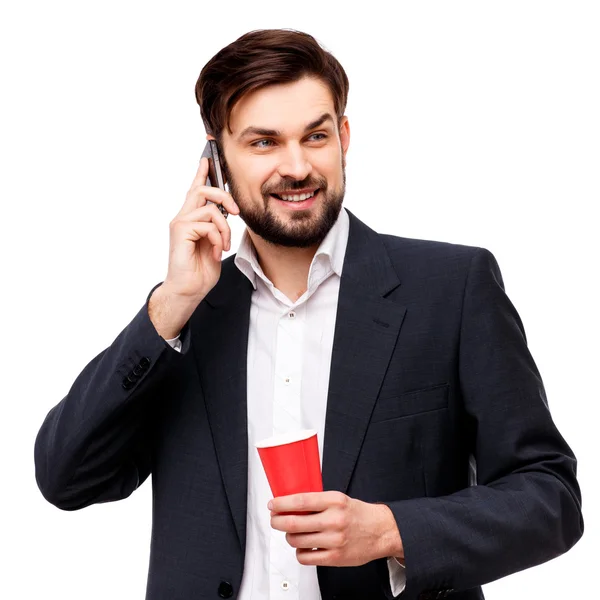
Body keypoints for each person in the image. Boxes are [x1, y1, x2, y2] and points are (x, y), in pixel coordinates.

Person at [34, 28, 583, 600]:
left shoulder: (451, 288)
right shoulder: (186, 314)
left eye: (315, 136)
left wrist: (394, 531)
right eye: (264, 143)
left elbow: (550, 499)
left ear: (343, 137)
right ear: (217, 159)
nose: (297, 167)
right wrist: (169, 307)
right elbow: (66, 477)